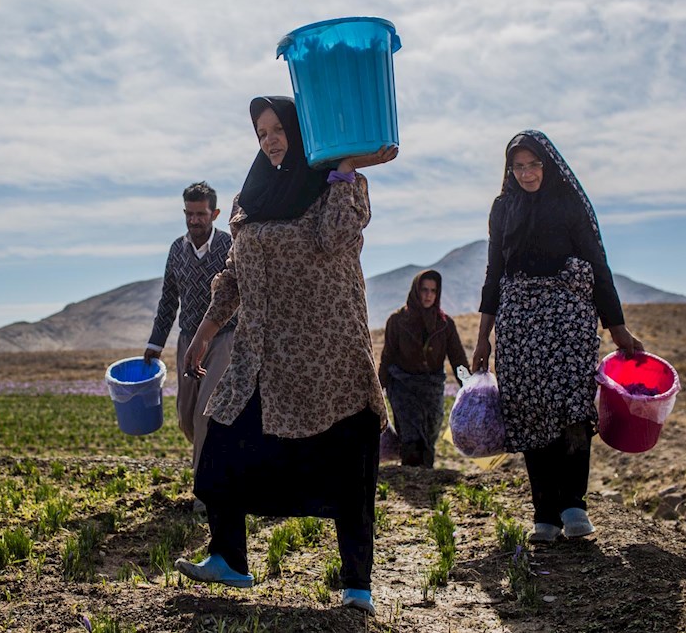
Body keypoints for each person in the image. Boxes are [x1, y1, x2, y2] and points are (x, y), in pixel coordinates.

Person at [174, 95, 396, 616]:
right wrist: (206, 331)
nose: (270, 139)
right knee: (221, 441)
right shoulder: (249, 199)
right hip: (262, 354)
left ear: (300, 133)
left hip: (327, 354)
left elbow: (336, 237)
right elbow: (233, 274)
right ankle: (229, 557)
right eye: (261, 132)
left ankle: (356, 584)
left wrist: (343, 169)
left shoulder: (336, 190)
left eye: (278, 129)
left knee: (346, 463)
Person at [470, 130, 644, 544]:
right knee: (528, 409)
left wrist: (615, 325)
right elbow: (494, 274)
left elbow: (597, 262)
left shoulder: (568, 204)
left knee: (570, 405)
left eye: (534, 164)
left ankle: (573, 505)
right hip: (518, 322)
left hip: (568, 318)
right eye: (519, 166)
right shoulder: (503, 208)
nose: (527, 173)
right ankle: (544, 513)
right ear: (509, 170)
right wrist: (483, 338)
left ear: (547, 165)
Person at [143, 182, 237, 479]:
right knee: (186, 418)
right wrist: (155, 343)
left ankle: (205, 490)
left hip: (222, 340)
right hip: (186, 341)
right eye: (189, 214)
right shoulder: (177, 250)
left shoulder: (229, 246)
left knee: (205, 415)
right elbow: (169, 300)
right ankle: (217, 460)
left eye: (201, 214)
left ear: (215, 213)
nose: (194, 220)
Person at [378, 269, 468, 468]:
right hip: (403, 387)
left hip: (432, 387)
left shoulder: (445, 325)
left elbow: (457, 358)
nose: (428, 295)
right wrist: (377, 391)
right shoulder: (397, 321)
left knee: (429, 433)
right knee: (410, 435)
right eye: (424, 290)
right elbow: (387, 356)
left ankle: (424, 476)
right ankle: (411, 475)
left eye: (433, 291)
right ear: (415, 291)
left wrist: (469, 386)